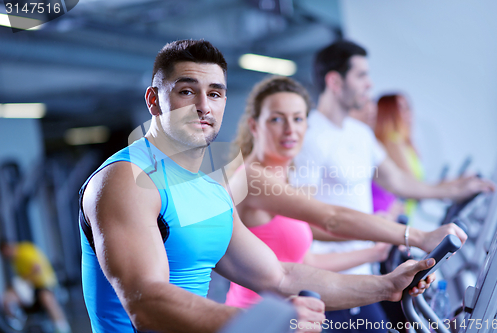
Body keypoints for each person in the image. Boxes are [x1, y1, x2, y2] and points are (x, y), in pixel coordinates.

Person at [80, 39, 444, 333]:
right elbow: (147, 304)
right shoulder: (126, 181)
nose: (204, 106)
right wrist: (269, 322)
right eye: (187, 92)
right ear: (154, 101)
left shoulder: (208, 187)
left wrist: (387, 287)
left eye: (216, 93)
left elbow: (280, 275)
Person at [293, 40, 495, 332]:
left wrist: (456, 189)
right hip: (327, 286)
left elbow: (398, 181)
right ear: (335, 81)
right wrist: (384, 233)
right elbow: (305, 221)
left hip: (364, 278)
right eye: (361, 75)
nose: (369, 84)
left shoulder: (360, 133)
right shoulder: (309, 136)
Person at [224, 76, 464, 309]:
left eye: (298, 119)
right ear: (254, 126)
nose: (290, 129)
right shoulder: (252, 178)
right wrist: (419, 236)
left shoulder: (285, 180)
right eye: (277, 120)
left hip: (294, 317)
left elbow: (307, 263)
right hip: (254, 318)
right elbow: (332, 217)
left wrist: (375, 254)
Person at [0, 240, 71, 333]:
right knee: (8, 297)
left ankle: (62, 327)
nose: (5, 256)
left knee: (46, 297)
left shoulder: (24, 250)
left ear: (7, 247)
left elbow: (37, 268)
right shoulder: (14, 261)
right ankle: (15, 323)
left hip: (44, 284)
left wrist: (23, 280)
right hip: (30, 288)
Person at [375, 93, 424, 220]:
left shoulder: (405, 145)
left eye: (408, 107)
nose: (408, 113)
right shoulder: (392, 141)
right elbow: (410, 186)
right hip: (389, 215)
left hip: (403, 216)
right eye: (401, 108)